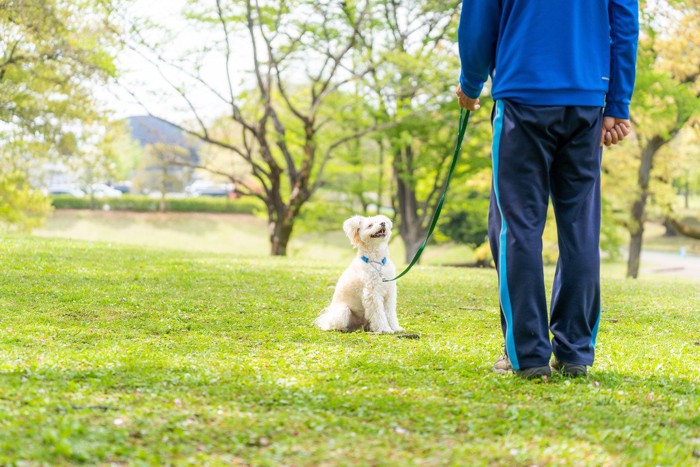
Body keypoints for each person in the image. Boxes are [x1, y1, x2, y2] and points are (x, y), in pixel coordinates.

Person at [456, 0, 639, 378]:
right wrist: (617, 104)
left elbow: (479, 21)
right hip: (587, 101)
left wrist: (470, 84)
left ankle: (528, 356)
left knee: (517, 227)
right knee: (581, 229)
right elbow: (625, 26)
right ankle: (574, 354)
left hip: (522, 97)